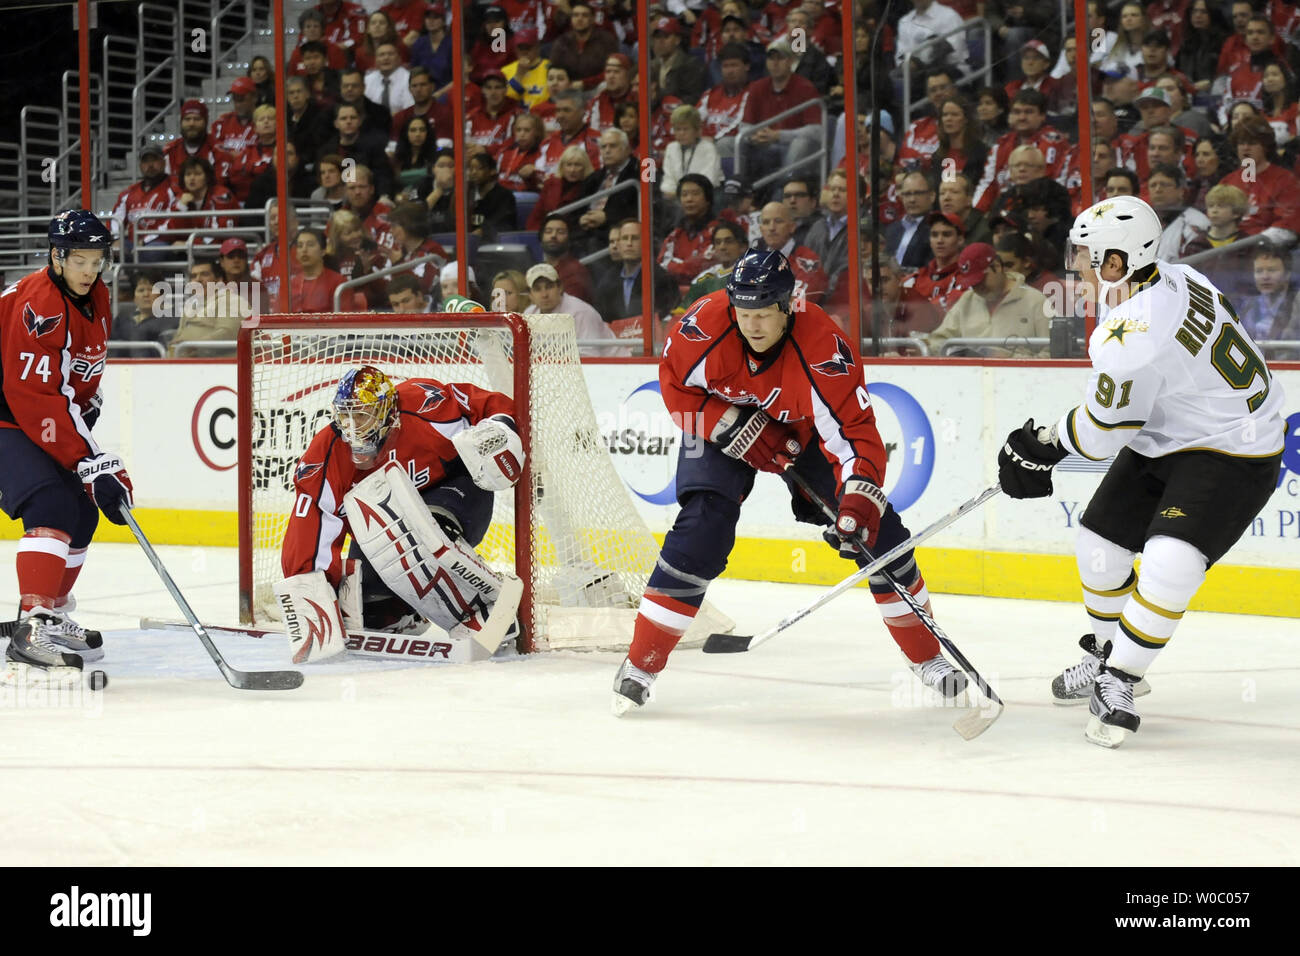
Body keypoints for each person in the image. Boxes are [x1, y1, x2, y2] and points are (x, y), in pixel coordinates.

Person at [611, 248, 968, 714]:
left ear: (787, 307)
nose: (752, 325)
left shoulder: (823, 348)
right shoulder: (702, 327)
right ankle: (640, 664)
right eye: (743, 313)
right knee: (701, 529)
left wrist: (859, 499)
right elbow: (675, 388)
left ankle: (927, 657)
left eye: (763, 314)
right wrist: (727, 423)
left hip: (804, 434)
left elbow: (855, 433)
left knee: (880, 536)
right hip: (719, 428)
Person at [996, 195, 1286, 748]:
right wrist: (1048, 445)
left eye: (1087, 255)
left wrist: (1043, 442)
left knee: (1170, 561)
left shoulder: (1132, 332)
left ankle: (1121, 678)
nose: (1076, 266)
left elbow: (1103, 436)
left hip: (1237, 449)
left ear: (1117, 262)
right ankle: (1109, 654)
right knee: (1098, 544)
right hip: (1175, 433)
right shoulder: (1170, 276)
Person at [277, 365, 526, 657]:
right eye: (345, 416)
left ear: (385, 412)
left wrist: (499, 429)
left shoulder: (424, 406)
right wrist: (312, 597)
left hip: (458, 498)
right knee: (364, 594)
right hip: (391, 523)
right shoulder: (329, 452)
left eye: (361, 415)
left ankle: (483, 606)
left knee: (417, 533)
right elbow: (310, 528)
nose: (352, 427)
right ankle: (401, 614)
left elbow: (486, 405)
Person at [0, 210, 126, 679]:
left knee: (82, 511)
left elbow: (74, 386)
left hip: (27, 415)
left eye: (98, 259)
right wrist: (88, 458)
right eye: (80, 260)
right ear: (56, 256)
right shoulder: (40, 305)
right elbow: (33, 397)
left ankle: (50, 614)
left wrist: (91, 459)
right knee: (50, 502)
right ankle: (32, 627)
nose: (90, 269)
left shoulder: (97, 295)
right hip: (9, 414)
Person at [924, 242, 1052, 357]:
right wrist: (925, 350)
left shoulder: (1036, 301)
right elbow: (940, 340)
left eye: (980, 280)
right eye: (972, 283)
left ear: (996, 267)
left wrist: (1009, 359)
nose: (977, 287)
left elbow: (1052, 354)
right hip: (971, 377)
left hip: (1018, 379)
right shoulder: (967, 300)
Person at [523, 263, 622, 356]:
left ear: (560, 287)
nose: (544, 294)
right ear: (530, 294)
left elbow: (590, 356)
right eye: (537, 289)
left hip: (616, 366)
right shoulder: (529, 314)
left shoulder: (581, 312)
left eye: (549, 287)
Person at [169, 258, 252, 357]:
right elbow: (180, 334)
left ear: (219, 280)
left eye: (204, 274)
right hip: (187, 362)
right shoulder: (190, 305)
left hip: (220, 365)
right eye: (194, 276)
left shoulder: (232, 300)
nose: (198, 279)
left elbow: (228, 334)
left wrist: (194, 345)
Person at [660, 105, 724, 199]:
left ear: (697, 130)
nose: (681, 133)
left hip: (706, 197)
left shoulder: (708, 148)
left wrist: (685, 195)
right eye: (678, 129)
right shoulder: (671, 148)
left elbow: (708, 182)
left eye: (685, 129)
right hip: (677, 197)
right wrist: (674, 193)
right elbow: (668, 181)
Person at [538, 214, 596, 303]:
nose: (553, 235)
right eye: (548, 231)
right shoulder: (538, 269)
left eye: (560, 232)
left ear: (569, 240)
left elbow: (568, 310)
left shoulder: (576, 271)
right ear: (541, 238)